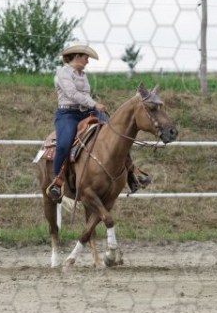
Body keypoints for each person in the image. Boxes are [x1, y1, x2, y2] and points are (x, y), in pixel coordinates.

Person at [46, 43, 150, 202]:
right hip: (68, 114)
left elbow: (84, 95)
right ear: (77, 56)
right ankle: (58, 181)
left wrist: (93, 105)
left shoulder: (82, 74)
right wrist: (94, 104)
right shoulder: (63, 73)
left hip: (87, 111)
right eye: (86, 58)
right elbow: (72, 94)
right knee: (63, 144)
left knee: (116, 134)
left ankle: (131, 172)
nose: (87, 61)